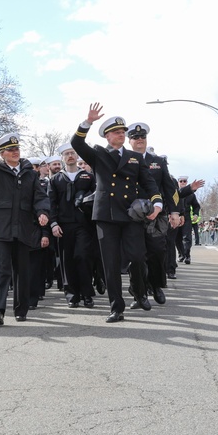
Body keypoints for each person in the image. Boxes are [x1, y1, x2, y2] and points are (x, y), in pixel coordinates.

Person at [70, 105, 162, 323]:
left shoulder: (134, 157)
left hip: (131, 214)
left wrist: (157, 203)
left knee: (138, 257)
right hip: (106, 214)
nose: (121, 134)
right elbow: (76, 143)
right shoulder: (98, 154)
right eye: (117, 132)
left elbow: (148, 183)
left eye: (123, 132)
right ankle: (116, 307)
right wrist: (87, 122)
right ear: (108, 136)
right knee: (110, 263)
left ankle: (139, 293)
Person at [0, 114, 51, 324]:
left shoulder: (30, 174)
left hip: (24, 228)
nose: (15, 152)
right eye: (10, 150)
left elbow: (40, 197)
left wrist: (43, 213)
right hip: (0, 228)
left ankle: (21, 309)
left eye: (17, 148)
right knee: (2, 268)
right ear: (2, 154)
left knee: (22, 270)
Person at [126, 124, 178, 304]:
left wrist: (175, 212)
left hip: (155, 216)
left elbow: (170, 189)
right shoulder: (125, 160)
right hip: (132, 216)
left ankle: (156, 286)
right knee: (136, 256)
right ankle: (138, 291)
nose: (139, 140)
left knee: (157, 252)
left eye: (142, 137)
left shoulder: (158, 161)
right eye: (135, 137)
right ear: (129, 140)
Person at [48, 143, 97, 309]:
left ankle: (87, 294)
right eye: (67, 154)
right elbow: (51, 203)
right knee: (66, 260)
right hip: (63, 225)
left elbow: (96, 195)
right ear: (62, 158)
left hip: (83, 225)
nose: (70, 156)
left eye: (73, 153)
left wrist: (85, 198)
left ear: (77, 157)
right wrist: (53, 223)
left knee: (82, 257)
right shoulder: (55, 179)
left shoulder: (88, 177)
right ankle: (72, 295)